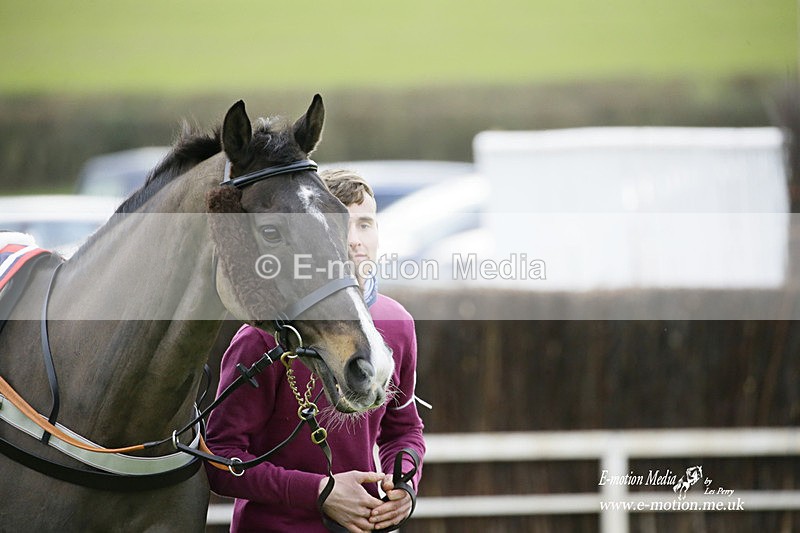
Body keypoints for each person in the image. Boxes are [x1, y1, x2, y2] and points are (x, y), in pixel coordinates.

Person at [205, 169, 426, 533]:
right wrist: (320, 491)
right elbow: (219, 461)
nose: (355, 240)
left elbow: (404, 431)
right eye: (344, 227)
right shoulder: (261, 337)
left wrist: (404, 485)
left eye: (366, 224)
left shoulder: (397, 323)